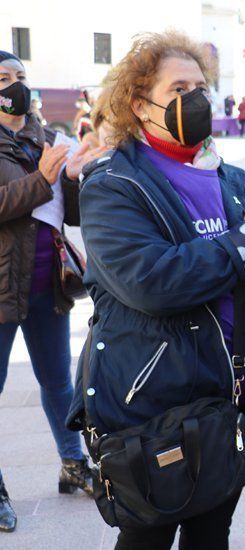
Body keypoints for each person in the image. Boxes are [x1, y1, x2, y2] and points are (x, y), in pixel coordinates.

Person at [65, 31, 245, 549]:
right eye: (177, 89)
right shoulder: (111, 184)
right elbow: (153, 282)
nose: (193, 99)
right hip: (150, 407)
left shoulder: (232, 178)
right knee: (146, 539)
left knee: (210, 536)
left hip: (227, 400)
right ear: (139, 104)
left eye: (200, 87)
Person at [0, 50, 108, 534]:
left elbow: (74, 215)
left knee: (58, 381)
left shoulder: (47, 138)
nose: (14, 85)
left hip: (48, 283)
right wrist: (43, 178)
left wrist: (72, 177)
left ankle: (72, 463)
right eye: (4, 78)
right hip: (2, 285)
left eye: (20, 77)